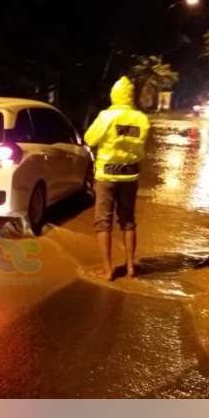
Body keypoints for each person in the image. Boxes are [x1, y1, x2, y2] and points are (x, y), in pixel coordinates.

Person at [83, 76, 150, 280]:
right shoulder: (142, 119)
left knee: (103, 222)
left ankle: (108, 269)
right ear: (131, 96)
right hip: (130, 175)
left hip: (107, 175)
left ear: (114, 95)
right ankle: (130, 266)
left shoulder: (106, 116)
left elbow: (89, 139)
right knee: (128, 221)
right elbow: (140, 147)